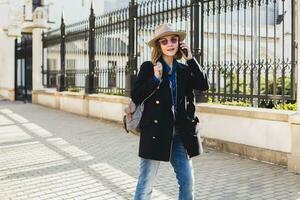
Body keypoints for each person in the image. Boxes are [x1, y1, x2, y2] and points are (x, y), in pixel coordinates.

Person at [131, 23, 209, 200]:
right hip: (155, 132)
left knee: (188, 183)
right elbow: (136, 95)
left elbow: (203, 85)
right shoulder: (148, 67)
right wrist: (155, 79)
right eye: (164, 41)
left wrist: (190, 58)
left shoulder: (183, 70)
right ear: (159, 45)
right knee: (146, 183)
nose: (169, 44)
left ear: (179, 43)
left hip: (180, 134)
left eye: (173, 40)